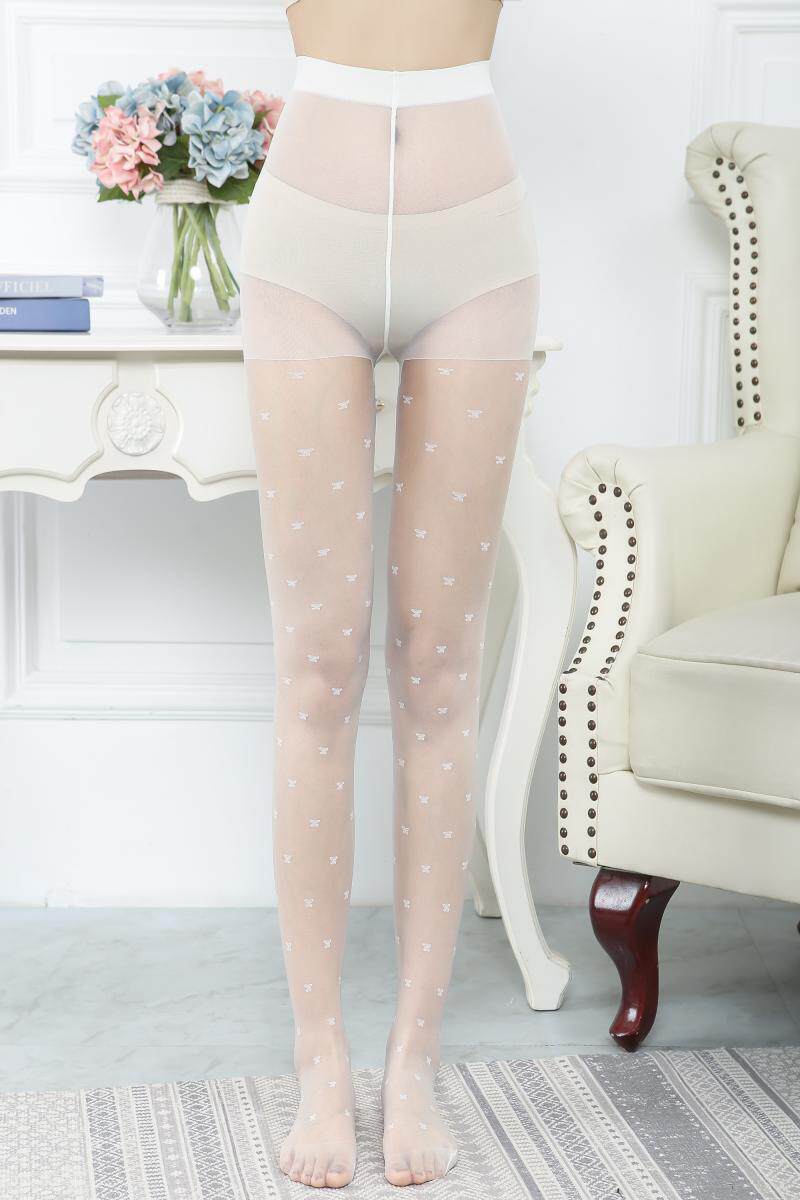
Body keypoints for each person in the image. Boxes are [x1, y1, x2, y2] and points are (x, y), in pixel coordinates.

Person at [239, 0, 539, 1187]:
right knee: (317, 665)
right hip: (308, 226)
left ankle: (412, 1057)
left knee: (438, 664)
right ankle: (320, 1055)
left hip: (475, 231)